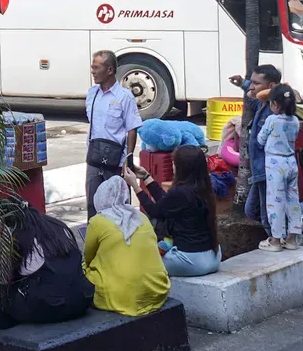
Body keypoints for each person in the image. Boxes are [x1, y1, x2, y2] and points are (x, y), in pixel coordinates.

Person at [0, 202, 94, 333]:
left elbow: (1, 277)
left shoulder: (18, 235)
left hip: (52, 307)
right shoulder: (59, 226)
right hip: (83, 299)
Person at [126, 144, 221, 277]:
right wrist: (146, 177)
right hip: (213, 258)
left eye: (174, 163)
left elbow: (154, 211)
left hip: (191, 261)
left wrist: (135, 186)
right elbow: (166, 202)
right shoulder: (204, 188)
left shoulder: (180, 192)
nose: (172, 165)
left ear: (183, 167)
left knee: (143, 262)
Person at [83, 176, 170, 316]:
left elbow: (87, 258)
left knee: (85, 269)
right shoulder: (141, 217)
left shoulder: (98, 221)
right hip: (157, 292)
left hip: (123, 298)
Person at [85, 51, 143, 219]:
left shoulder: (125, 97)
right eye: (92, 67)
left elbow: (132, 129)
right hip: (94, 159)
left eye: (97, 67)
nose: (93, 71)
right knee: (93, 204)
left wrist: (128, 161)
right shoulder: (92, 94)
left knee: (120, 205)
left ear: (110, 70)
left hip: (116, 161)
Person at [227, 65, 282, 227]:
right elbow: (253, 97)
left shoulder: (276, 112)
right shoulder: (264, 105)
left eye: (256, 83)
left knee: (266, 214)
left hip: (268, 171)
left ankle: (277, 241)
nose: (252, 86)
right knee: (252, 210)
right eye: (251, 82)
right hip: (259, 170)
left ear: (271, 87)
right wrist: (242, 84)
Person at [256, 83, 303, 252]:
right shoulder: (295, 121)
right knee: (293, 200)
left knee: (275, 200)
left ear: (275, 105)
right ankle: (292, 238)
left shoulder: (271, 120)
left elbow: (260, 140)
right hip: (291, 162)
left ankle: (275, 240)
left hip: (275, 164)